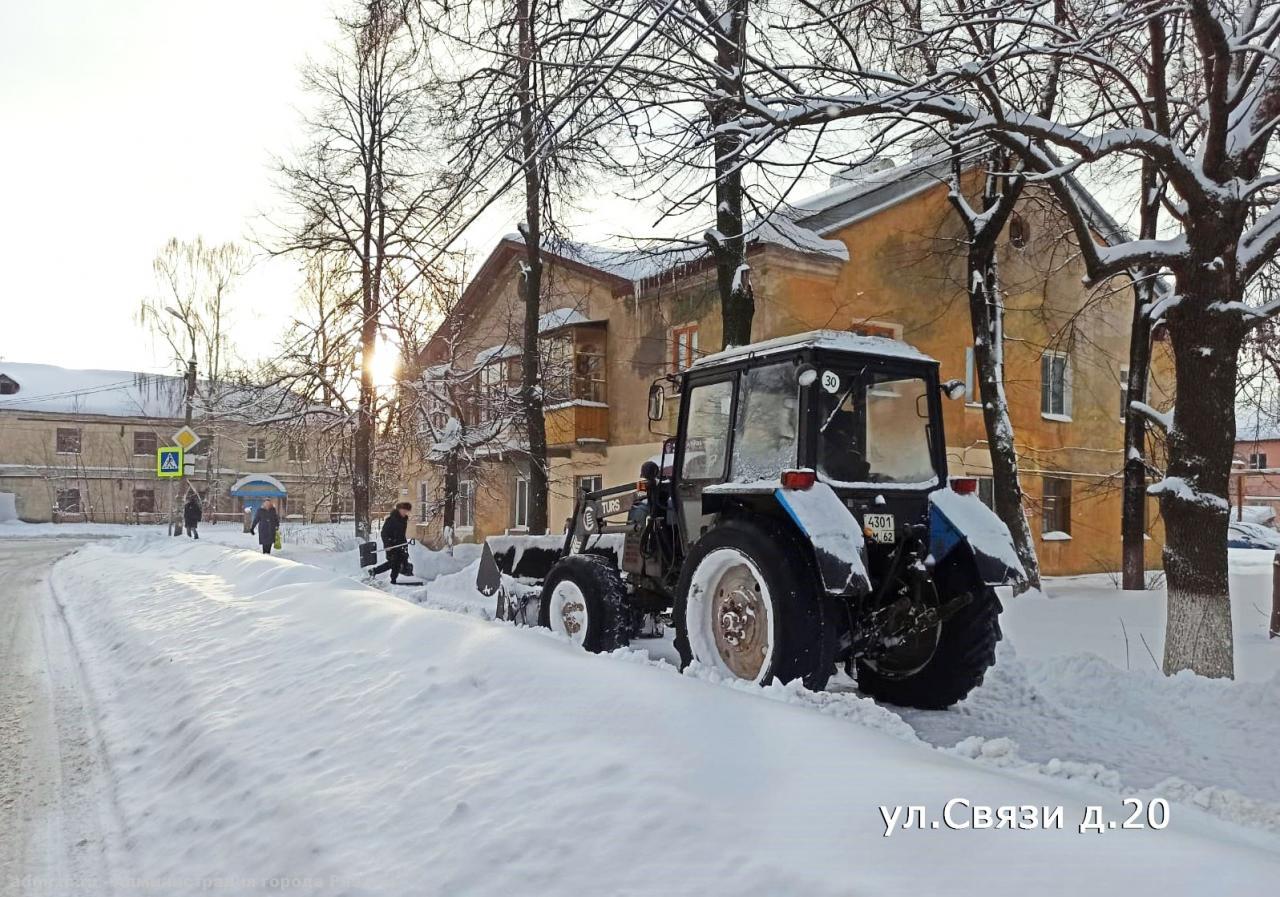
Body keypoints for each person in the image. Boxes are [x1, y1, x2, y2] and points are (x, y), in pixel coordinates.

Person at [368, 502, 413, 584]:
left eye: (407, 511)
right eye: (404, 511)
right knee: (395, 563)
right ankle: (393, 581)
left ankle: (374, 571)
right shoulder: (391, 520)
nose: (405, 513)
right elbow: (384, 533)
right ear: (399, 510)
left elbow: (401, 534)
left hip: (401, 545)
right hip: (391, 545)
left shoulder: (403, 520)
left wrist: (405, 544)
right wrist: (387, 544)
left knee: (395, 562)